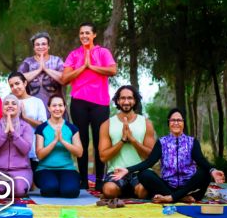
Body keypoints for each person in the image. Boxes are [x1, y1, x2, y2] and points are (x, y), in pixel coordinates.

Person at [112, 108, 226, 203]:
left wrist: (213, 170)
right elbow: (149, 162)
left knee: (205, 173)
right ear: (169, 123)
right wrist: (127, 170)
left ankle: (172, 198)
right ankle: (180, 197)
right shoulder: (162, 142)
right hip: (167, 187)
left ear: (183, 123)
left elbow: (201, 160)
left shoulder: (192, 142)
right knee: (144, 174)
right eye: (173, 120)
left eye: (179, 120)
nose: (176, 122)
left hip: (189, 187)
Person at [61, 22, 117, 190]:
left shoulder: (103, 52)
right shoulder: (74, 54)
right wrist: (82, 67)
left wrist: (91, 66)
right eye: (81, 33)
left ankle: (100, 179)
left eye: (87, 33)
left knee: (100, 141)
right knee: (82, 141)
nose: (84, 36)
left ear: (94, 35)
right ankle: (84, 180)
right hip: (79, 102)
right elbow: (65, 78)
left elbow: (112, 70)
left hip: (100, 102)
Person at [98, 85, 155, 199]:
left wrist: (133, 140)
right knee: (109, 190)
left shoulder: (146, 123)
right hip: (117, 172)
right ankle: (123, 190)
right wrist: (123, 140)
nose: (126, 101)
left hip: (140, 172)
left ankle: (131, 190)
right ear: (118, 101)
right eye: (123, 98)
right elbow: (103, 157)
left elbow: (151, 156)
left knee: (143, 191)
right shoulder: (107, 124)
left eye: (130, 98)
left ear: (134, 101)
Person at [35, 95, 83, 198]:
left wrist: (62, 141)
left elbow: (79, 153)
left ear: (64, 108)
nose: (57, 108)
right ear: (49, 108)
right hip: (45, 169)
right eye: (54, 105)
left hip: (67, 168)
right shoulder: (41, 128)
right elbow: (39, 155)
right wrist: (55, 141)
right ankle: (55, 186)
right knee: (49, 189)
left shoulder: (72, 128)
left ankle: (62, 186)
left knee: (71, 192)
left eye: (60, 105)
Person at [0, 94, 33, 197]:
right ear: (2, 108)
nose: (10, 106)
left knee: (18, 190)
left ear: (19, 107)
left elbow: (26, 149)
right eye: (6, 104)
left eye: (14, 103)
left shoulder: (26, 126)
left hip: (21, 170)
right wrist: (4, 134)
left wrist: (13, 132)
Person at [18, 32, 65, 117]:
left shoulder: (57, 61)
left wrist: (46, 69)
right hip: (33, 109)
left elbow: (64, 79)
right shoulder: (27, 62)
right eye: (37, 45)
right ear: (34, 47)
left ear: (48, 46)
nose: (40, 47)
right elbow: (18, 80)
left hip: (56, 108)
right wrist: (39, 70)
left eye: (43, 44)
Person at [7, 71, 47, 172]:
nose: (15, 87)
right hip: (14, 150)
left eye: (17, 83)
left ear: (24, 83)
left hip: (33, 149)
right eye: (11, 85)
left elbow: (43, 126)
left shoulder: (37, 102)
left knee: (35, 182)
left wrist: (25, 118)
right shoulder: (9, 103)